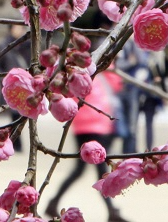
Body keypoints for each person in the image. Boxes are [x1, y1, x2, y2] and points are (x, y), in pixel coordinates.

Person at [45, 66, 127, 222]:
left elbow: (116, 85)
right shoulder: (90, 74)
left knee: (82, 170)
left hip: (86, 125)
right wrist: (111, 68)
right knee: (100, 171)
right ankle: (112, 212)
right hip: (95, 125)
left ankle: (54, 202)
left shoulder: (79, 76)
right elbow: (117, 83)